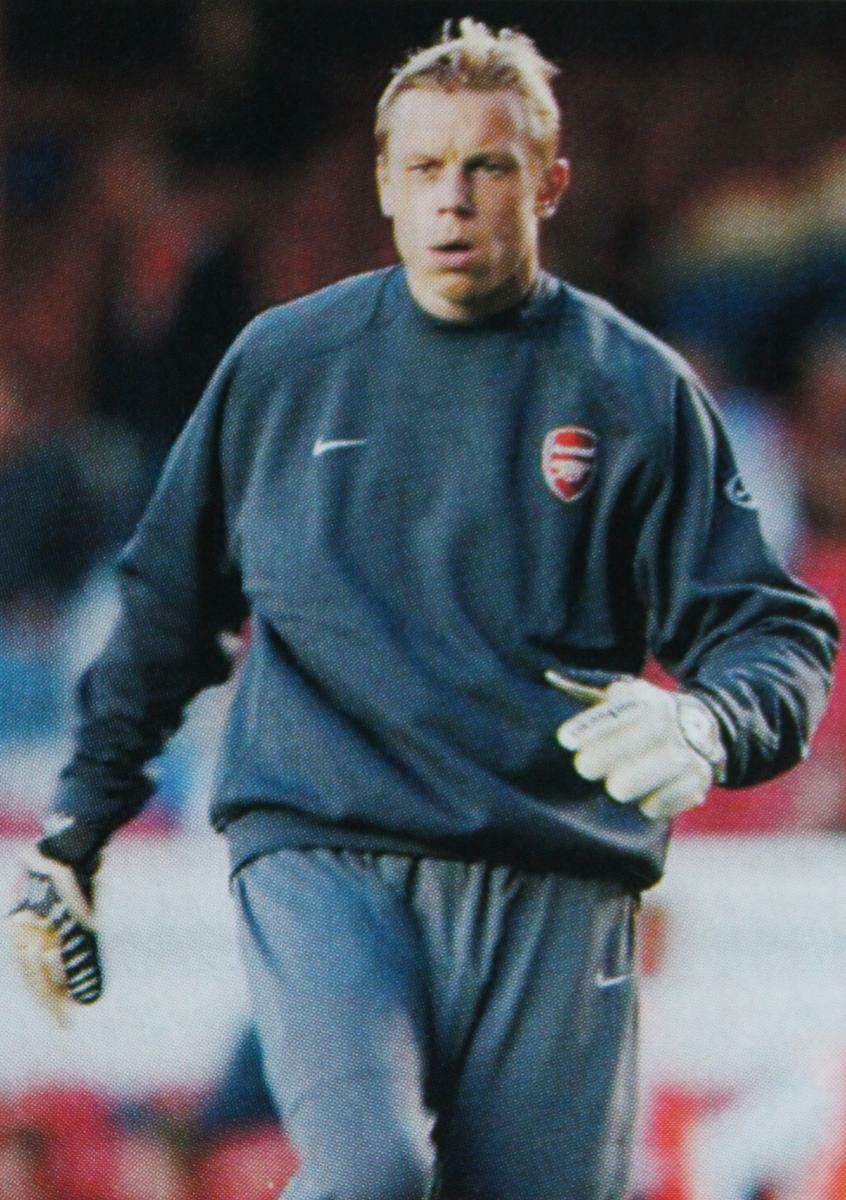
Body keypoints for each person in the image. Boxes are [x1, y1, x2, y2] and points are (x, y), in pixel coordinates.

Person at [7, 19, 839, 1200]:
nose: (454, 197)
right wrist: (74, 835)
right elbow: (165, 611)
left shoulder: (631, 389)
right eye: (425, 166)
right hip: (327, 851)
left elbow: (775, 630)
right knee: (375, 1175)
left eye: (488, 166)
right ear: (385, 184)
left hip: (557, 872)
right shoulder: (283, 371)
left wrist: (708, 722)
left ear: (548, 185)